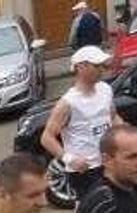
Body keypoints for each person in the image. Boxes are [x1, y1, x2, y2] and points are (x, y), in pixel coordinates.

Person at [42, 46, 117, 203]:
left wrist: (130, 137)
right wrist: (69, 159)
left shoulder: (105, 90)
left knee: (113, 207)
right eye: (97, 65)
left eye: (103, 65)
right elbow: (47, 137)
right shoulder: (68, 102)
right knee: (90, 212)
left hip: (109, 162)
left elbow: (114, 117)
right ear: (81, 67)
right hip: (85, 170)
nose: (102, 69)